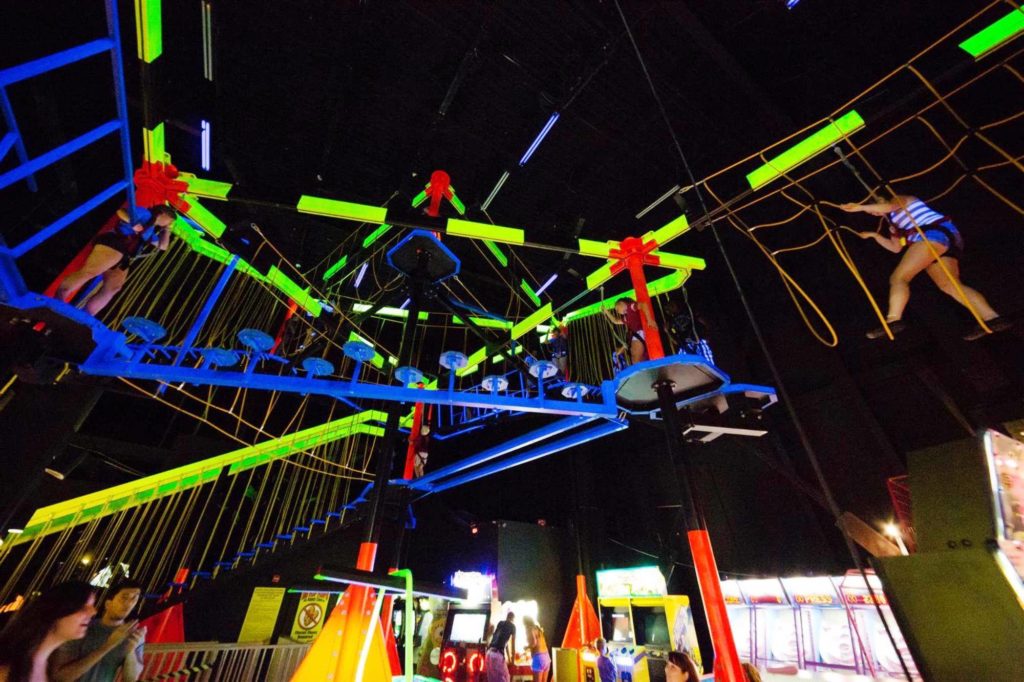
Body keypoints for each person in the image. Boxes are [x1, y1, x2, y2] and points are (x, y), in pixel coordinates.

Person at [840, 195, 1008, 340]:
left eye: (873, 208)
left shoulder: (900, 199)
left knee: (899, 278)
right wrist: (874, 235)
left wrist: (860, 207)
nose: (873, 213)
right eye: (871, 212)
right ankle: (992, 318)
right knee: (949, 285)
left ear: (880, 200)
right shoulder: (894, 225)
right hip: (944, 240)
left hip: (934, 235)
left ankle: (893, 319)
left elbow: (889, 206)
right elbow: (895, 248)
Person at [56, 205, 177, 315]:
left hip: (125, 254)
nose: (170, 223)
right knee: (91, 272)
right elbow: (121, 212)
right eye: (170, 220)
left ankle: (86, 314)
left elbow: (162, 246)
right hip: (115, 242)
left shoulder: (151, 229)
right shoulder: (146, 213)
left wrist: (167, 230)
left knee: (113, 287)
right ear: (164, 214)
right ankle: (60, 296)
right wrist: (132, 222)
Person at [49, 579, 146, 682]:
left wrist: (131, 651)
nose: (129, 603)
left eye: (134, 599)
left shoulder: (133, 635)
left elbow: (131, 679)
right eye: (124, 597)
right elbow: (61, 677)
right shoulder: (83, 627)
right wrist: (109, 644)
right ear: (108, 604)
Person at [0, 581, 97, 682]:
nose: (93, 612)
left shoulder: (44, 664)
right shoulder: (7, 669)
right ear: (57, 610)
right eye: (83, 606)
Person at [602, 297, 655, 364]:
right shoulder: (626, 317)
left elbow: (643, 305)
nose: (617, 312)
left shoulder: (631, 306)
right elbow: (615, 321)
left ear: (621, 303)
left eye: (617, 309)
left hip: (639, 333)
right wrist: (606, 311)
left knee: (636, 359)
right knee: (637, 359)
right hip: (636, 335)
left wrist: (649, 320)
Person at [485, 611, 516, 682]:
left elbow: (505, 643)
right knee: (506, 678)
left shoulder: (500, 623)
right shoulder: (513, 626)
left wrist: (509, 658)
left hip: (489, 654)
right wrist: (513, 663)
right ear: (513, 619)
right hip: (497, 656)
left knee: (492, 680)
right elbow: (513, 646)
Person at [522, 615, 549, 682]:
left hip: (538, 658)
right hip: (546, 657)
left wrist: (526, 647)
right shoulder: (537, 628)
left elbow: (534, 643)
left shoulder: (530, 629)